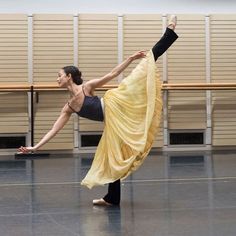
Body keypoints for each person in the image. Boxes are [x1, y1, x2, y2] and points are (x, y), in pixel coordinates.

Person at [18, 15, 178, 206]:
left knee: (142, 69)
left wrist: (130, 58)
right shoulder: (68, 107)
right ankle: (112, 198)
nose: (57, 79)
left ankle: (169, 32)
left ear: (69, 77)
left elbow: (112, 74)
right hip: (113, 122)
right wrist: (35, 147)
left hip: (117, 104)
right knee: (112, 157)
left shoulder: (87, 87)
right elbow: (54, 129)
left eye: (59, 76)